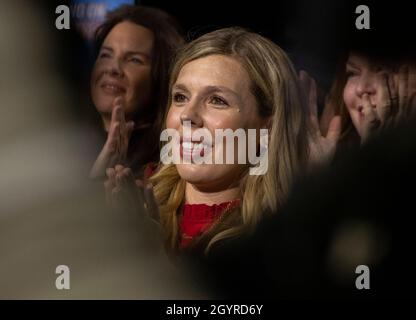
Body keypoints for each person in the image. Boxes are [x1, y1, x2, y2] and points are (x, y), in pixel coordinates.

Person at [104, 27, 310, 257]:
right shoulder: (130, 198)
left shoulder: (282, 241)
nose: (187, 116)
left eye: (217, 100)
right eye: (180, 97)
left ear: (268, 128)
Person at [89, 5, 184, 179]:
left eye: (134, 60)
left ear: (161, 77)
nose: (113, 68)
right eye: (105, 55)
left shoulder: (168, 168)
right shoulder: (63, 142)